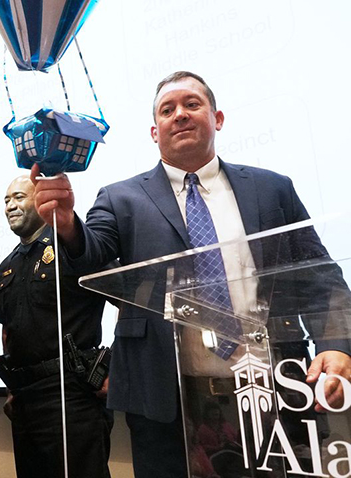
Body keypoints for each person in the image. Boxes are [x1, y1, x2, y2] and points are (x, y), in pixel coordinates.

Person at [29, 70, 351, 477]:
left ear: (217, 118)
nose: (179, 114)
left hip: (277, 389)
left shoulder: (272, 189)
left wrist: (336, 344)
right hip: (165, 401)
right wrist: (67, 225)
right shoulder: (120, 197)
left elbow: (319, 277)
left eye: (192, 104)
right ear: (154, 131)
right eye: (168, 110)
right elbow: (90, 254)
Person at [0, 175, 113, 478]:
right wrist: (11, 389)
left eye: (19, 197)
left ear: (42, 199)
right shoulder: (7, 265)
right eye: (6, 200)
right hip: (24, 399)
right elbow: (9, 329)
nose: (11, 206)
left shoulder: (76, 247)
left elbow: (130, 302)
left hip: (71, 392)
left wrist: (121, 368)